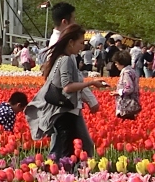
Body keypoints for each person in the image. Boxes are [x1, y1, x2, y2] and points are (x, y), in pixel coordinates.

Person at [24, 24, 107, 162]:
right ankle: (59, 173)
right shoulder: (66, 59)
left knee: (69, 146)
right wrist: (91, 83)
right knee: (64, 149)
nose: (82, 46)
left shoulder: (61, 58)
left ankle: (64, 171)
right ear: (71, 42)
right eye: (81, 42)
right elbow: (67, 87)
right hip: (63, 111)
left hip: (63, 110)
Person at [114, 49, 141, 119]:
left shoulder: (126, 73)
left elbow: (129, 88)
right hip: (132, 102)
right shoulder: (132, 71)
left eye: (116, 63)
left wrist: (118, 92)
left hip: (127, 104)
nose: (115, 65)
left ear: (122, 63)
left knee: (126, 124)